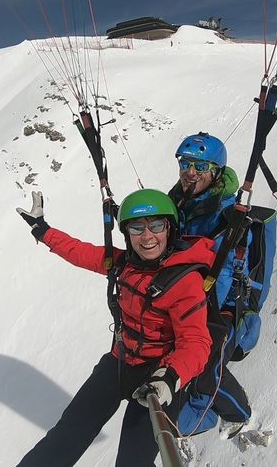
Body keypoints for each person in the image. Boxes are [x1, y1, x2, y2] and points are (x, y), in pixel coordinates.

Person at [15, 188, 214, 466]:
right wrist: (42, 229)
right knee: (66, 436)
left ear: (169, 229)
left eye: (156, 225)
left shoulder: (185, 280)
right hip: (119, 363)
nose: (147, 237)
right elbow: (80, 252)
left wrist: (170, 377)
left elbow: (196, 341)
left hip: (158, 376)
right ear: (127, 233)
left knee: (133, 461)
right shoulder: (124, 264)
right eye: (137, 227)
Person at [168, 132, 252, 436]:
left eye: (200, 167)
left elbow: (227, 271)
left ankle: (236, 412)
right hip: (185, 295)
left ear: (215, 172)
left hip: (221, 305)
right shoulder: (177, 202)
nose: (190, 172)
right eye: (186, 163)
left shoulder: (228, 215)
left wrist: (195, 310)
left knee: (204, 366)